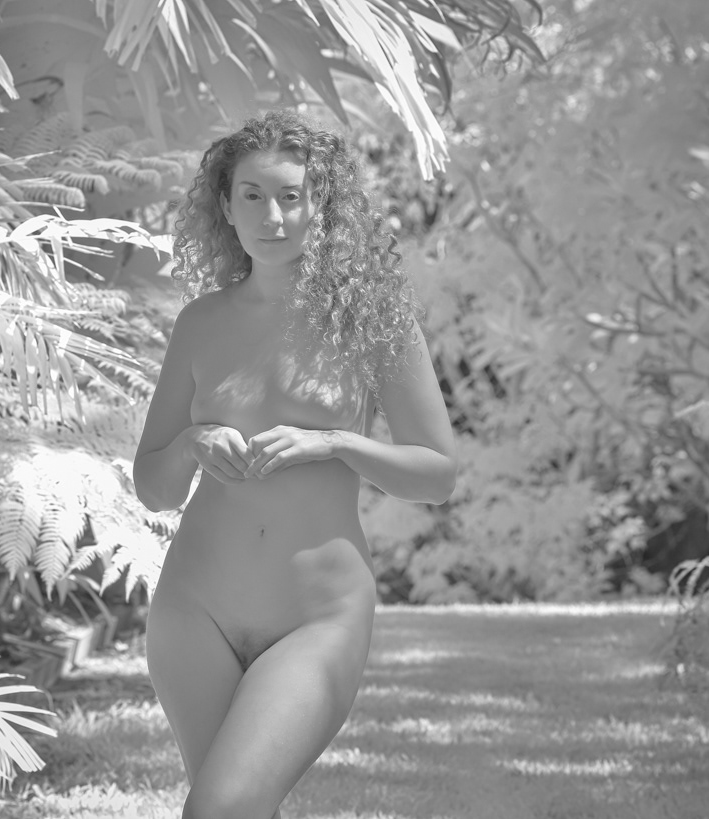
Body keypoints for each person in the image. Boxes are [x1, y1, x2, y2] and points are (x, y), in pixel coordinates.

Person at [133, 108, 456, 819]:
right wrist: (189, 444)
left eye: (292, 196)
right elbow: (152, 486)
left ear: (323, 206)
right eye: (252, 195)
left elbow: (437, 474)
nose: (272, 216)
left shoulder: (372, 320)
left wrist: (334, 443)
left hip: (316, 616)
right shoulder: (200, 322)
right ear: (225, 206)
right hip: (194, 609)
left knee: (220, 808)